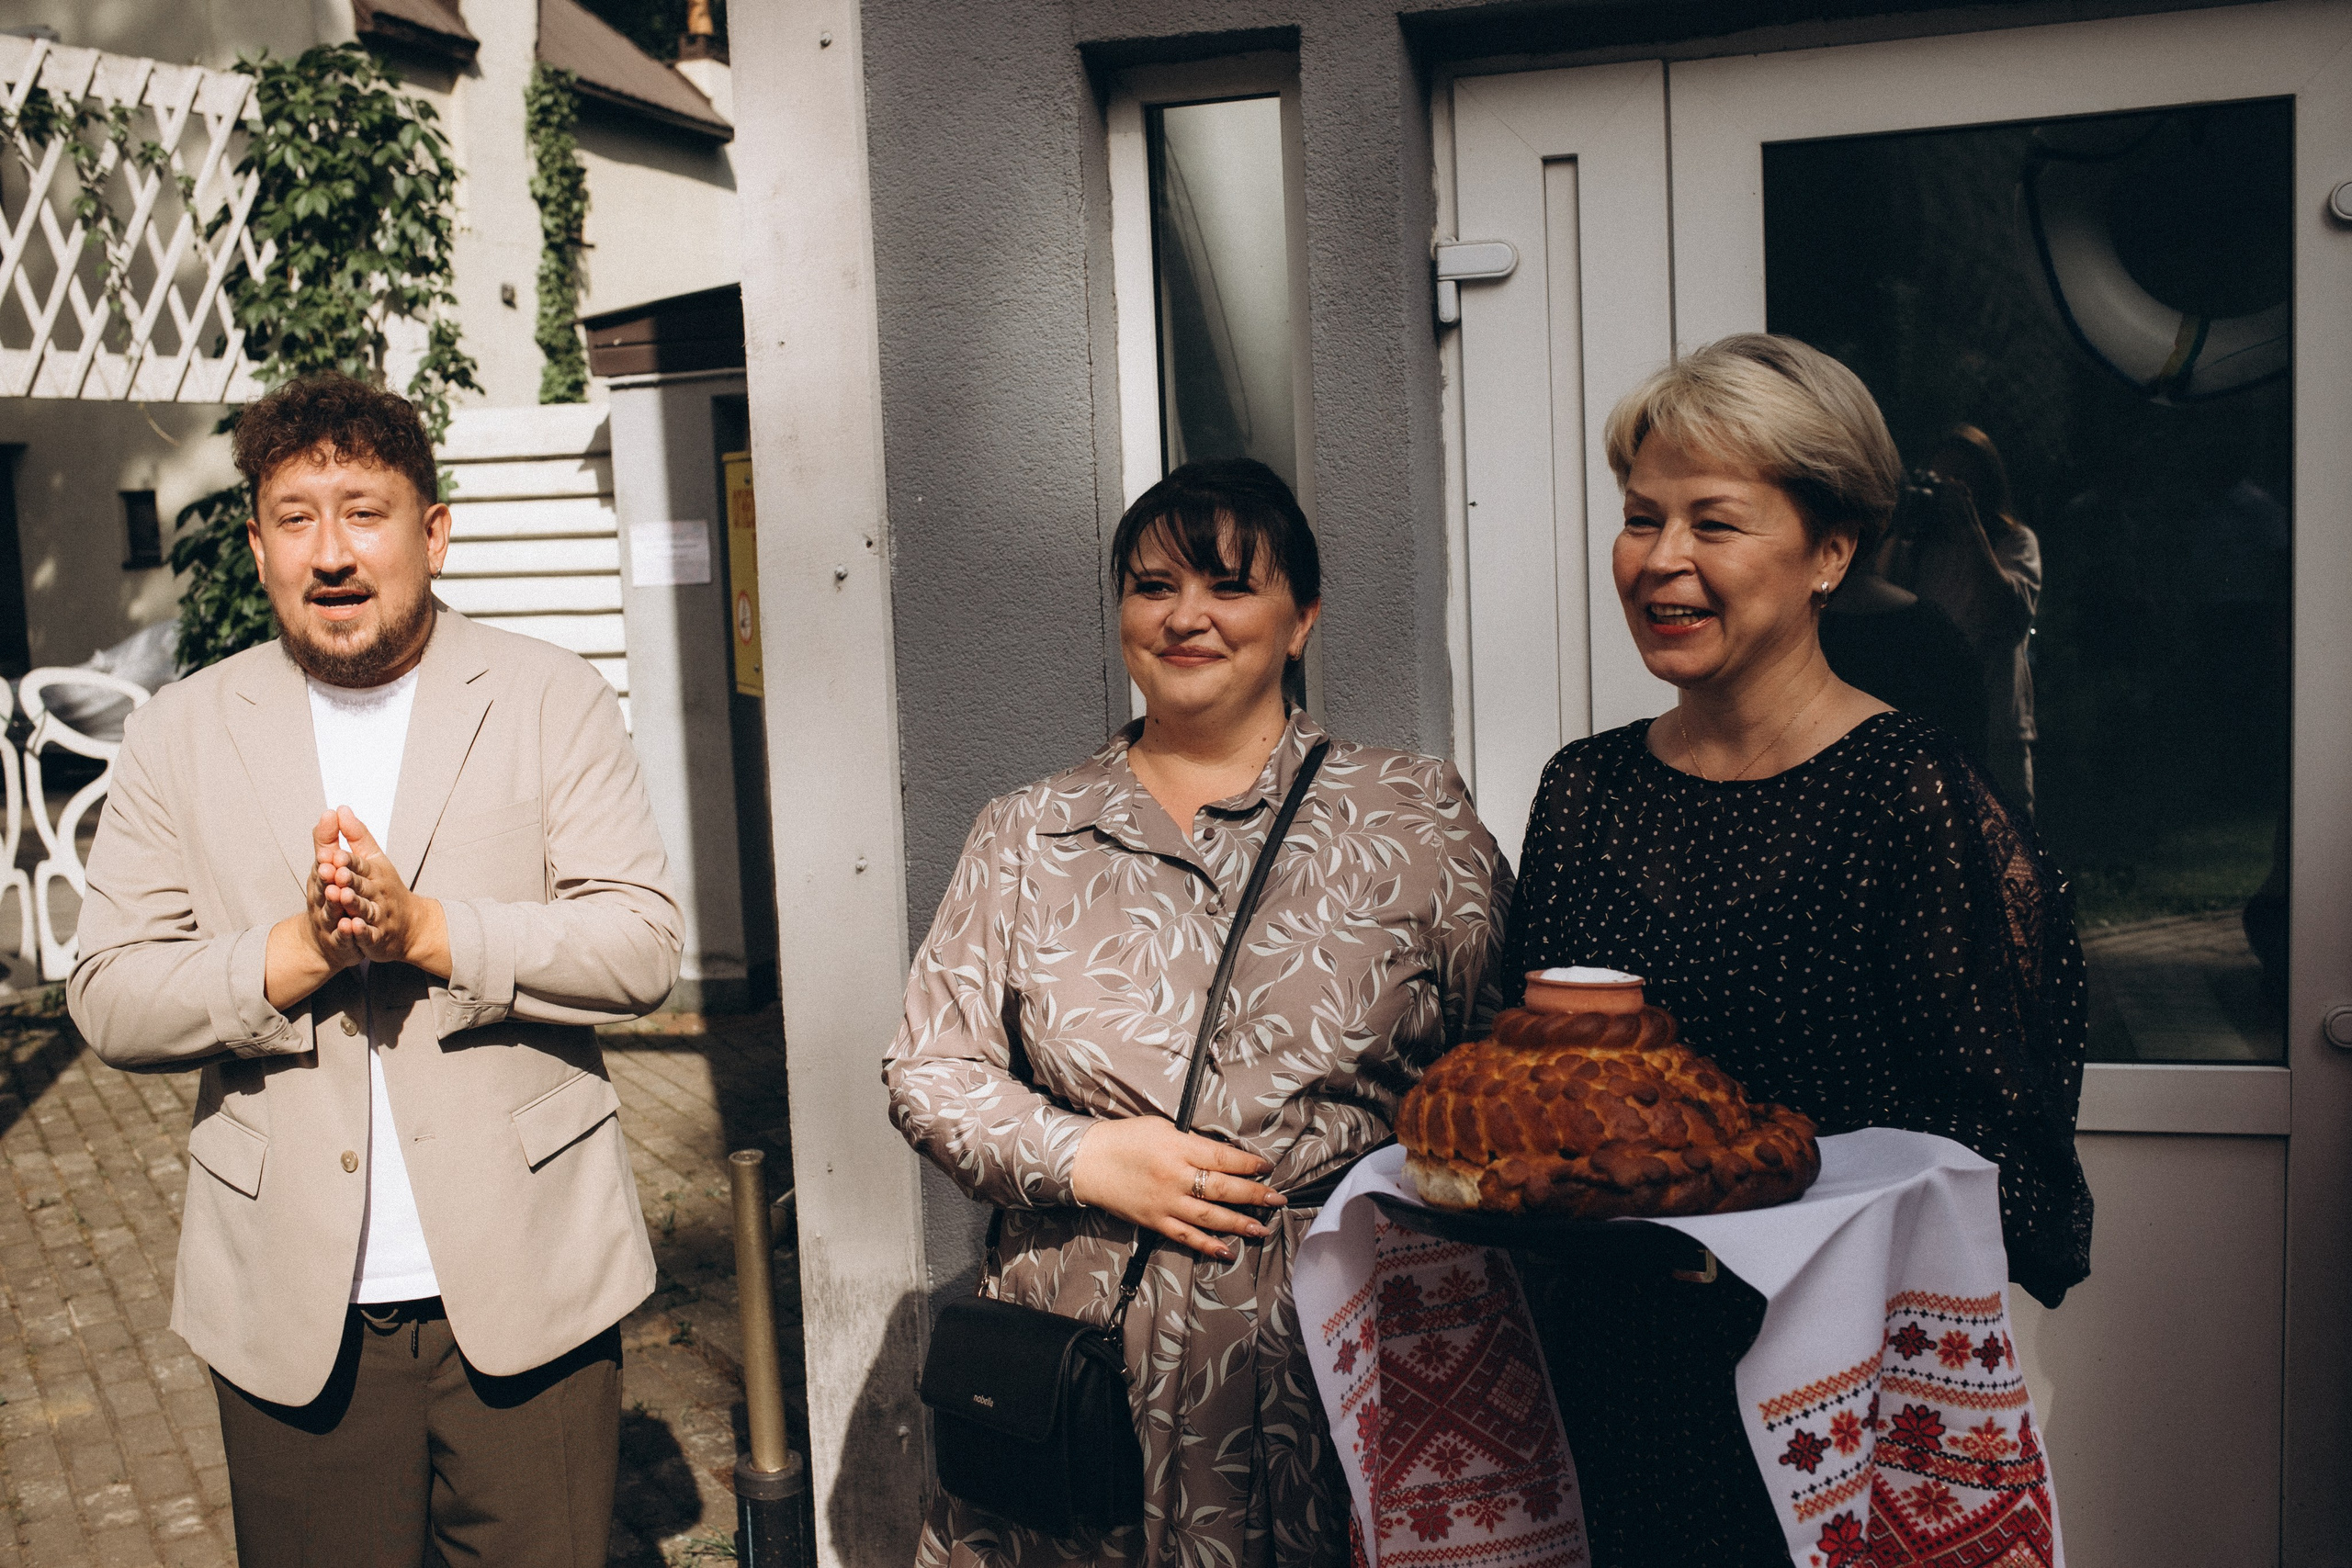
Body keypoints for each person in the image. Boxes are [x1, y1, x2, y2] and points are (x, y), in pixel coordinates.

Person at [68, 372, 683, 1567]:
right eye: (296, 516)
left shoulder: (550, 695)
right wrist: (296, 952)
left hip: (528, 1292)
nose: (331, 550)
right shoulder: (180, 730)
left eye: (365, 510)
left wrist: (427, 929)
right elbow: (108, 991)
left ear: (433, 531)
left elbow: (642, 941)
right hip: (292, 1312)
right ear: (256, 547)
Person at [1501, 336, 2091, 1568]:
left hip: (1834, 1411)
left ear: (1831, 551)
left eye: (1713, 521)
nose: (1660, 558)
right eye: (1639, 518)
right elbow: (1532, 1091)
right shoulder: (1585, 789)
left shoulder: (1909, 795)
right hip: (1611, 1394)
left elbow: (2004, 1166)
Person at [885, 457, 1509, 1568]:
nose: (1185, 617)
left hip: (1341, 1351)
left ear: (1301, 617)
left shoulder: (1411, 819)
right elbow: (932, 1068)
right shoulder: (1030, 831)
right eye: (1150, 584)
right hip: (1082, 1369)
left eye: (1228, 585)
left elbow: (1494, 1073)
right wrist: (1082, 1158)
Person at [1878, 423, 2042, 809]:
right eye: (1941, 480)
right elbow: (1881, 602)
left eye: (1961, 481)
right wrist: (1897, 529)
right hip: (1930, 729)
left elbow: (2007, 615)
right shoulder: (1916, 548)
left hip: (1996, 725)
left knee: (2009, 856)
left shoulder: (2015, 542)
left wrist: (1969, 528)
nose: (1948, 491)